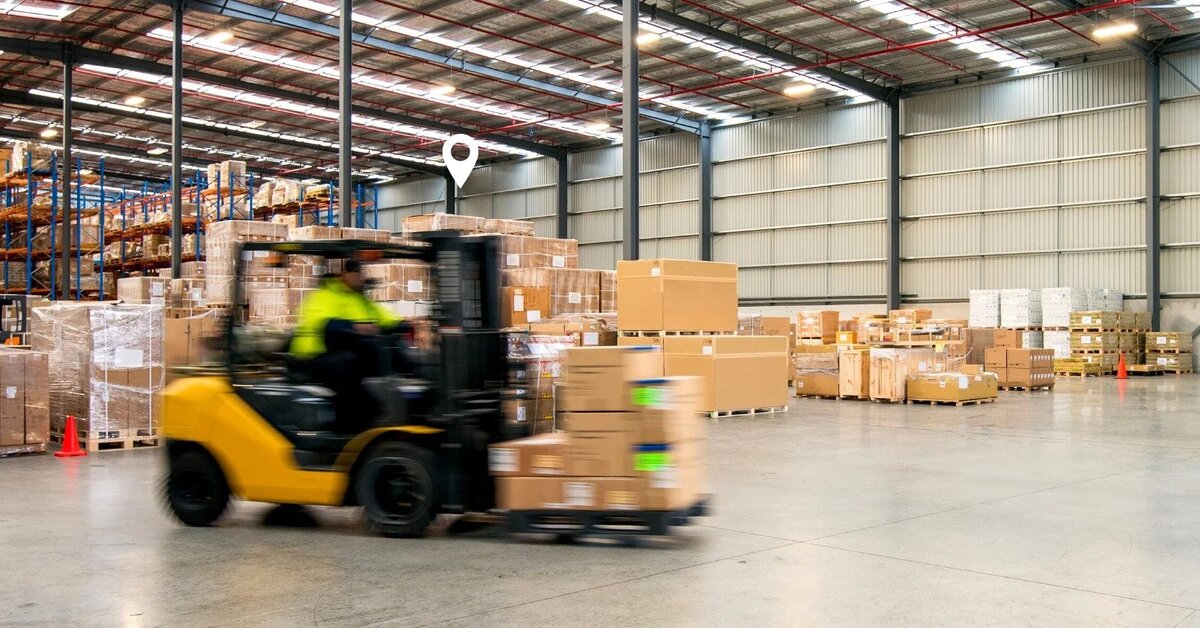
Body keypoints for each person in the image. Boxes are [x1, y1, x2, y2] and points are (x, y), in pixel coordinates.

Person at [289, 259, 399, 433]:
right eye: (356, 271)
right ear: (344, 273)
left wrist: (402, 324)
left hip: (342, 352)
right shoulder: (323, 296)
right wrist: (356, 327)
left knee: (394, 353)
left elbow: (382, 317)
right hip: (315, 356)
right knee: (349, 365)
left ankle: (392, 414)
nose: (361, 276)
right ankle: (350, 427)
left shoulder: (357, 298)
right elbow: (325, 324)